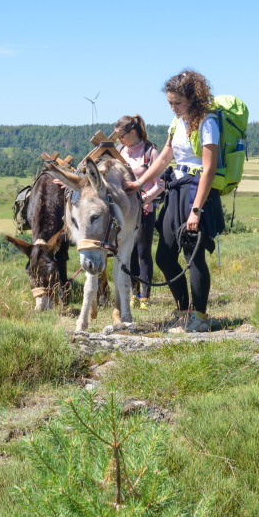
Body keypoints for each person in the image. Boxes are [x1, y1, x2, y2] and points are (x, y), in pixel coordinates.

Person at [124, 70, 225, 332]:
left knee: (193, 255)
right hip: (176, 190)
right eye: (170, 102)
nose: (173, 107)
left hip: (196, 192)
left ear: (193, 97)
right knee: (165, 257)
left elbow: (209, 169)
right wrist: (140, 181)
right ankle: (183, 312)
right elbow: (165, 158)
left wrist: (196, 211)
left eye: (177, 102)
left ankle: (199, 317)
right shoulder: (176, 123)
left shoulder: (208, 123)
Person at [112, 115, 162, 307]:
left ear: (132, 133)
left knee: (143, 251)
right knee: (129, 251)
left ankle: (145, 296)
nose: (119, 140)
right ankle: (133, 293)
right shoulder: (119, 151)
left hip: (146, 209)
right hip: (126, 212)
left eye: (121, 136)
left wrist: (146, 198)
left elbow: (161, 184)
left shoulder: (151, 152)